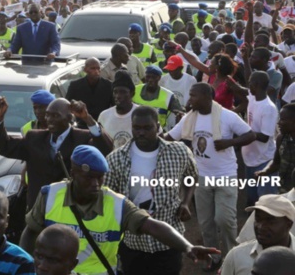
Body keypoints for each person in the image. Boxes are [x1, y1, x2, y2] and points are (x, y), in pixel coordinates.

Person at [20, 145, 220, 275]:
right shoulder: (50, 195)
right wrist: (29, 266)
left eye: (100, 178)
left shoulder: (116, 204)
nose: (96, 184)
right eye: (89, 178)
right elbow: (30, 232)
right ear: (73, 173)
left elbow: (152, 226)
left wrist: (187, 247)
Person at [166, 82, 256, 271]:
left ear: (208, 97)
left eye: (193, 96)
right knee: (206, 222)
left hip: (225, 175)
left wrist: (229, 142)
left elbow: (250, 135)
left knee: (224, 219)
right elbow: (170, 138)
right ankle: (214, 257)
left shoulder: (227, 116)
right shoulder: (189, 118)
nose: (190, 99)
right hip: (201, 176)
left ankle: (232, 257)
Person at [105, 106, 198, 275]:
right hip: (133, 242)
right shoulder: (116, 158)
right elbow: (107, 197)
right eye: (137, 128)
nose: (141, 133)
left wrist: (185, 203)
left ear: (157, 126)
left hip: (169, 242)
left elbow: (191, 177)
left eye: (147, 128)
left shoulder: (178, 152)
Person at [0, 96, 113, 208]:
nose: (49, 119)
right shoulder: (34, 138)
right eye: (48, 115)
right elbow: (5, 146)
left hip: (69, 209)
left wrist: (87, 118)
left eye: (56, 115)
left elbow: (106, 148)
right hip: (38, 208)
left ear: (70, 118)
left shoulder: (82, 138)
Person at [220, 195, 295, 275]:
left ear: (288, 225)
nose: (261, 227)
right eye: (258, 219)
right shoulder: (236, 256)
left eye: (270, 221)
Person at [242, 71, 279, 205]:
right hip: (250, 160)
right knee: (252, 199)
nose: (248, 84)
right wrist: (245, 59)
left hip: (264, 161)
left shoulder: (268, 108)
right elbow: (246, 82)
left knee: (266, 202)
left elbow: (264, 137)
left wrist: (242, 133)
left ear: (256, 85)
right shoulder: (253, 98)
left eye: (251, 82)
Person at [65, 58, 114, 128]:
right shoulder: (75, 85)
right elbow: (68, 105)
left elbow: (115, 106)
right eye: (93, 68)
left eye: (98, 68)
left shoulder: (109, 85)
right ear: (85, 69)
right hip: (81, 126)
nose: (96, 71)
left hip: (103, 125)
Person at [257, 104, 295, 192]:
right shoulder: (281, 138)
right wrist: (265, 171)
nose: (278, 123)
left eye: (282, 119)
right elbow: (276, 162)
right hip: (284, 191)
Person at [133, 65, 182, 131]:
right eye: (148, 77)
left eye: (153, 77)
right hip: (137, 131)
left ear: (159, 78)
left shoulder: (169, 95)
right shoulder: (135, 90)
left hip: (159, 132)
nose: (150, 80)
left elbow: (180, 113)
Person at [98, 71, 138, 149]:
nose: (118, 96)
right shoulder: (104, 116)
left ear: (132, 94)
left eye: (123, 92)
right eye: (115, 92)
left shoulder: (142, 113)